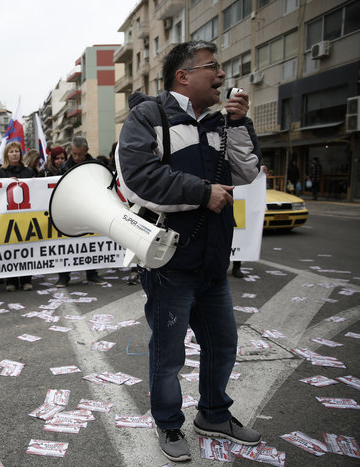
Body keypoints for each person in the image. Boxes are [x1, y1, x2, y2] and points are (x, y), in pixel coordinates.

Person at [117, 41, 261, 462]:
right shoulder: (150, 116)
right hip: (170, 264)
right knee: (169, 352)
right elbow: (140, 178)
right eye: (212, 67)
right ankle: (169, 425)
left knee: (223, 344)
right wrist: (203, 193)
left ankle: (214, 413)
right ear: (183, 76)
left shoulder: (220, 122)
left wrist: (239, 124)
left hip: (212, 260)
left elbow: (248, 171)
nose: (222, 75)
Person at [55, 137, 106, 287]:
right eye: (74, 154)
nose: (77, 157)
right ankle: (64, 276)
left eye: (80, 154)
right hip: (68, 211)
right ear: (71, 151)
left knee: (90, 242)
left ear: (87, 151)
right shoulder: (64, 167)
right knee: (65, 244)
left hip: (90, 210)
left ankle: (92, 274)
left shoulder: (96, 165)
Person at [0, 142, 35, 291]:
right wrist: (6, 183)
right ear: (6, 155)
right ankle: (11, 280)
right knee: (10, 247)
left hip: (25, 215)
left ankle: (26, 279)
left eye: (16, 151)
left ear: (21, 154)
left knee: (26, 247)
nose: (14, 154)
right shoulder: (0, 172)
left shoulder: (28, 171)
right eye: (11, 152)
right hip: (7, 216)